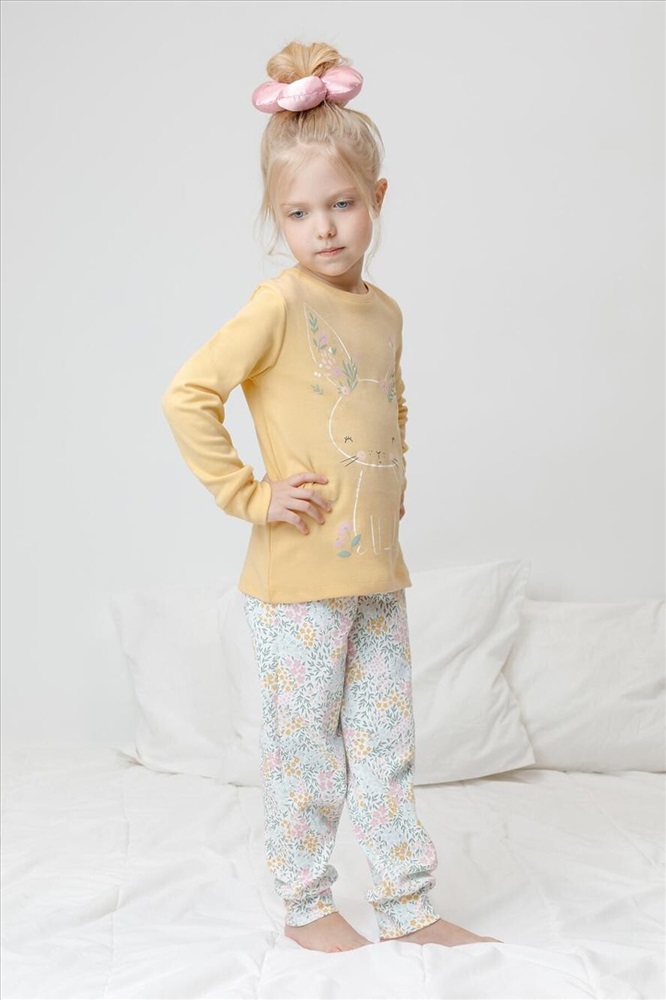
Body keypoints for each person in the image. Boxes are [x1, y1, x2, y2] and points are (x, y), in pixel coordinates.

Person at [161, 40, 502, 954]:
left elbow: (390, 405)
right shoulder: (279, 303)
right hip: (297, 587)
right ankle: (307, 900)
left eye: (342, 204)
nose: (324, 228)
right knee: (306, 747)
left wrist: (393, 494)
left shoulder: (384, 311)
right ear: (277, 218)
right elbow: (188, 395)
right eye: (300, 212)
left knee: (386, 744)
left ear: (377, 198)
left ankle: (406, 903)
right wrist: (249, 494)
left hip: (377, 573)